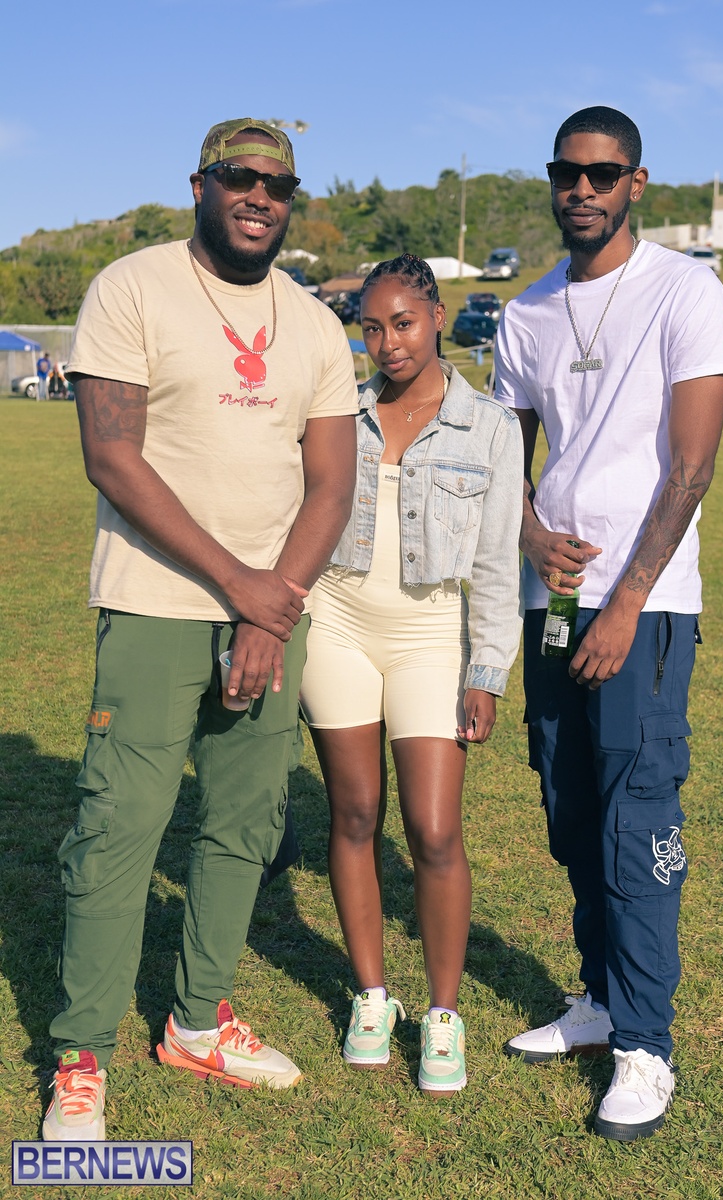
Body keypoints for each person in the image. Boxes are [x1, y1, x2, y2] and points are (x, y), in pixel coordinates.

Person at [42, 118, 358, 1141]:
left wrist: (274, 602)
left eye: (278, 184)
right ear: (200, 184)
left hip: (275, 610)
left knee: (242, 825)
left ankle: (196, 1021)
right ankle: (82, 1057)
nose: (260, 195)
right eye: (240, 176)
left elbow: (331, 482)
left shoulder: (313, 322)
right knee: (118, 829)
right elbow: (112, 458)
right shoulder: (132, 287)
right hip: (155, 604)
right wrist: (239, 585)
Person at [494, 107, 723, 1141]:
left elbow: (692, 463)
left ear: (636, 181)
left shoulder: (685, 288)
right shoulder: (526, 311)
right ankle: (595, 998)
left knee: (638, 818)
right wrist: (526, 533)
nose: (582, 189)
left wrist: (627, 600)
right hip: (552, 599)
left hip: (644, 602)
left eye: (603, 173)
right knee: (568, 803)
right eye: (567, 172)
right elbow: (503, 454)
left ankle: (645, 1045)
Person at [299, 254, 523, 1097]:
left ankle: (442, 1013)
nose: (388, 342)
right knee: (355, 812)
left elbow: (497, 562)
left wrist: (487, 671)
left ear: (437, 317)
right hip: (338, 624)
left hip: (433, 634)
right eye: (371, 327)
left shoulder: (489, 425)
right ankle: (370, 996)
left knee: (432, 829)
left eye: (402, 322)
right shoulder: (342, 414)